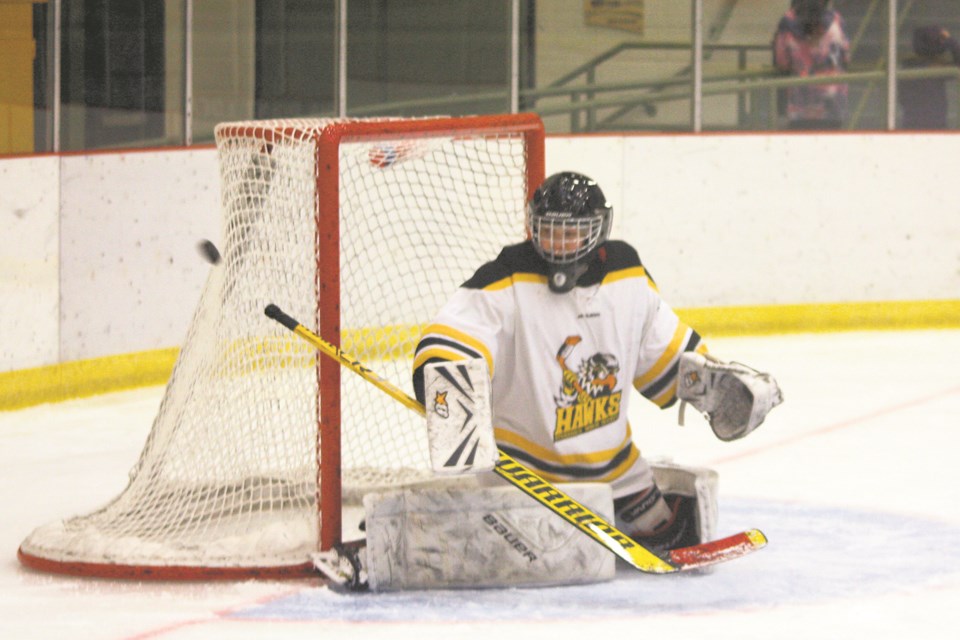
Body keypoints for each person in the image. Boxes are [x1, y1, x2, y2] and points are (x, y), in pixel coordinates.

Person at [412, 172, 781, 556]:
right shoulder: (504, 278)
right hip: (525, 476)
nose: (561, 242)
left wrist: (709, 384)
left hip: (617, 472)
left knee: (676, 534)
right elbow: (454, 337)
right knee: (532, 552)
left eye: (573, 232)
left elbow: (664, 358)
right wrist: (448, 382)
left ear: (599, 230)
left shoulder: (627, 274)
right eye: (550, 230)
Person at [772, 0, 851, 130]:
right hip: (833, 104)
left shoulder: (787, 23)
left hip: (800, 104)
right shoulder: (837, 21)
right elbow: (846, 57)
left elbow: (782, 62)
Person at [899, 25, 960, 130]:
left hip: (910, 126)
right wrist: (951, 42)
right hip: (935, 127)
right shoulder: (936, 69)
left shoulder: (907, 67)